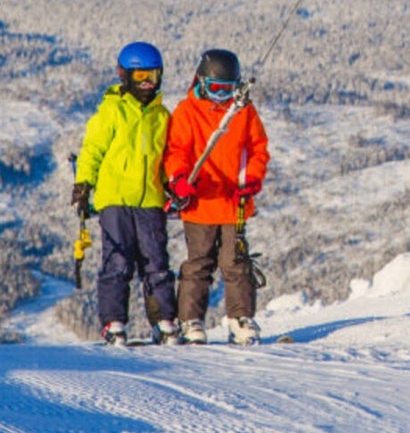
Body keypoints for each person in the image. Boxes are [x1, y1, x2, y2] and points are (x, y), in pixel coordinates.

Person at [72, 41, 180, 346]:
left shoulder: (161, 116)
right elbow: (92, 149)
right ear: (125, 76)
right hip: (116, 199)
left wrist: (172, 183)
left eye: (153, 76)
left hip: (150, 200)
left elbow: (167, 156)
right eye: (140, 76)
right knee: (118, 261)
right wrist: (83, 184)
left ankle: (163, 320)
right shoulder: (112, 112)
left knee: (155, 262)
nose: (147, 83)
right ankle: (113, 322)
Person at [163, 48, 270, 345]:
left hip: (234, 202)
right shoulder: (187, 111)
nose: (222, 97)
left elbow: (258, 149)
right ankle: (190, 320)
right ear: (201, 82)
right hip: (200, 204)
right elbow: (176, 151)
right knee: (199, 263)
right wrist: (179, 179)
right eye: (215, 90)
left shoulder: (243, 111)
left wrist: (251, 179)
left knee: (236, 263)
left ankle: (240, 318)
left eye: (228, 90)